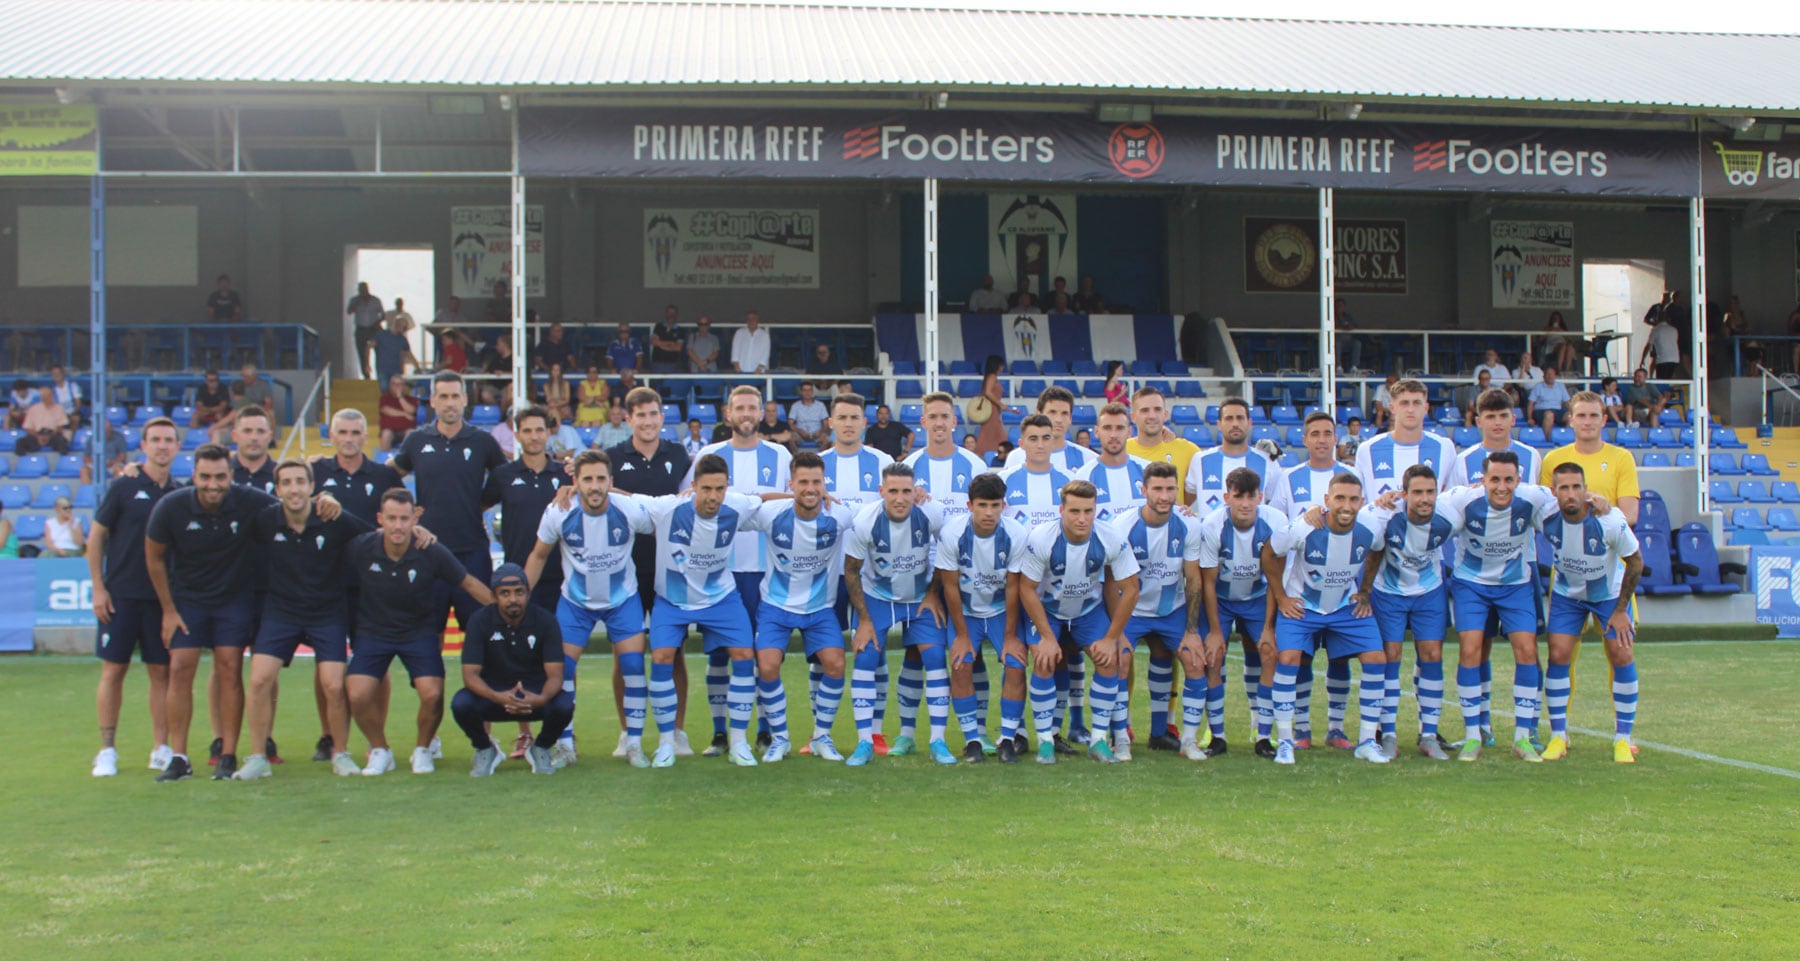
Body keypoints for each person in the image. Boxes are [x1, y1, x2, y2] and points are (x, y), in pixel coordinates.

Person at [233, 459, 376, 780]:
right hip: (281, 613)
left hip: (327, 613)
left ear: (312, 487)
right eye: (287, 482)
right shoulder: (265, 520)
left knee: (333, 685)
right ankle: (257, 757)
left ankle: (341, 753)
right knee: (258, 680)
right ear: (277, 489)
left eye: (300, 481)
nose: (294, 489)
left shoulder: (333, 517)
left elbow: (375, 539)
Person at [144, 444, 278, 781]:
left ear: (231, 476)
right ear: (194, 476)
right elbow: (154, 557)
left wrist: (324, 501)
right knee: (180, 667)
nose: (213, 485)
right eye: (205, 477)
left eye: (220, 477)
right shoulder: (171, 506)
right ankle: (179, 757)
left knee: (230, 668)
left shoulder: (251, 501)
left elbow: (292, 507)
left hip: (234, 600)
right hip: (188, 601)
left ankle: (227, 755)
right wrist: (168, 610)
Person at [345, 488, 495, 775]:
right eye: (391, 518)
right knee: (357, 694)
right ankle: (380, 750)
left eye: (404, 518)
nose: (398, 526)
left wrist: (506, 611)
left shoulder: (430, 549)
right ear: (380, 519)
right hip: (374, 633)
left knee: (432, 694)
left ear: (415, 518)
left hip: (418, 633)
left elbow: (468, 582)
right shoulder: (361, 547)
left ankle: (423, 750)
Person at [523, 451, 654, 768]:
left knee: (633, 666)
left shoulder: (629, 509)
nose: (594, 486)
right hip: (576, 603)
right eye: (587, 479)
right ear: (575, 482)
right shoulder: (559, 511)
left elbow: (666, 521)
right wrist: (521, 599)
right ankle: (565, 746)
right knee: (562, 671)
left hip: (622, 600)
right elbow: (539, 555)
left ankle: (634, 743)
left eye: (600, 479)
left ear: (611, 481)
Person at [391, 372, 508, 710]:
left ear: (465, 400)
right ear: (433, 401)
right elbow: (388, 476)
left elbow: (504, 479)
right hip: (427, 554)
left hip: (472, 552)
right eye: (443, 396)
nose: (450, 403)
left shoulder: (482, 441)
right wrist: (407, 514)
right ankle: (431, 728)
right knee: (431, 642)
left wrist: (478, 505)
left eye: (455, 396)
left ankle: (484, 728)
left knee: (481, 639)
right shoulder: (416, 440)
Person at [686, 385, 793, 755]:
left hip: (766, 571)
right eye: (739, 408)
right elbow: (690, 504)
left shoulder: (780, 455)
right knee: (719, 655)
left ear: (761, 413)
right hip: (720, 573)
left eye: (752, 408)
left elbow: (793, 504)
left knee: (763, 655)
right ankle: (720, 733)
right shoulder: (709, 455)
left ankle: (764, 731)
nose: (746, 414)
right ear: (727, 413)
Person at [647, 454, 773, 766]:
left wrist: (808, 494)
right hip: (673, 599)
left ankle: (739, 742)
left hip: (720, 598)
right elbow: (626, 501)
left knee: (744, 655)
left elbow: (766, 499)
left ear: (727, 487)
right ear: (693, 486)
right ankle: (666, 743)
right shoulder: (667, 508)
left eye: (720, 488)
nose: (713, 496)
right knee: (661, 657)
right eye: (706, 489)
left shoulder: (736, 505)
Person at [1261, 473, 1389, 766]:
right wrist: (1281, 596)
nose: (1346, 505)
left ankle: (1367, 742)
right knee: (1288, 658)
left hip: (1345, 606)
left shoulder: (1371, 527)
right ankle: (1285, 742)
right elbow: (1269, 552)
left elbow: (1378, 550)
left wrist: (1365, 590)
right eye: (1340, 498)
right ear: (1327, 500)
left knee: (1376, 658)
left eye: (1353, 499)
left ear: (1362, 502)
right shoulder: (1305, 526)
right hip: (1303, 606)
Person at [1443, 451, 1558, 762]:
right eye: (1495, 479)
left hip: (1514, 585)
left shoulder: (1533, 498)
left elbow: (1568, 501)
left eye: (1509, 480)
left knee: (1527, 650)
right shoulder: (1462, 499)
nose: (1502, 486)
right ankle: (1472, 736)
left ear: (1519, 480)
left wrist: (1595, 499)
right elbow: (1421, 506)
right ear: (1483, 480)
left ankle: (1522, 738)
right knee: (1470, 649)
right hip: (1471, 584)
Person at [1015, 479, 1140, 765]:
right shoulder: (1042, 538)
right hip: (1047, 610)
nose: (1082, 518)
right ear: (1061, 510)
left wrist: (1112, 638)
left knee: (1109, 659)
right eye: (1074, 511)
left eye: (1088, 511)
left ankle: (1098, 740)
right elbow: (1026, 588)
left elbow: (1131, 589)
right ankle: (1045, 742)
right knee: (1045, 660)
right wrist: (1047, 638)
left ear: (1096, 510)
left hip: (1088, 610)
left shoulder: (1111, 537)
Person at [87, 418, 182, 778]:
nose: (162, 445)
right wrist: (99, 587)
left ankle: (160, 747)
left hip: (162, 600)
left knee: (161, 673)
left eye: (168, 440)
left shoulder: (180, 493)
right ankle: (106, 750)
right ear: (144, 445)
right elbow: (96, 537)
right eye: (155, 439)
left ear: (177, 447)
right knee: (114, 670)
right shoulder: (123, 486)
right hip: (121, 596)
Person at [751, 452, 859, 762]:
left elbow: (881, 510)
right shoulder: (772, 514)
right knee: (767, 666)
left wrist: (919, 495)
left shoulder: (839, 515)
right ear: (791, 484)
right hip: (775, 605)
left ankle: (821, 736)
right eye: (803, 482)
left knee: (835, 664)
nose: (810, 489)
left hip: (819, 608)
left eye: (816, 482)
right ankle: (780, 738)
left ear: (824, 484)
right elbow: (740, 504)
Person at [842, 463, 952, 766]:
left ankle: (937, 740)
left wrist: (933, 593)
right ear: (881, 491)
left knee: (934, 657)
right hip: (878, 598)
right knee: (865, 657)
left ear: (915, 491)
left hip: (919, 599)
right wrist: (865, 621)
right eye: (893, 491)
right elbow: (851, 571)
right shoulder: (865, 521)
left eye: (906, 491)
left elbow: (948, 552)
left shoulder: (931, 513)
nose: (900, 498)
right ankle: (865, 742)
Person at [604, 387, 694, 757]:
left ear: (662, 416)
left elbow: (688, 503)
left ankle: (677, 731)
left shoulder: (678, 455)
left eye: (653, 413)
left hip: (670, 569)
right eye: (640, 415)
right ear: (628, 420)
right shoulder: (612, 458)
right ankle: (627, 733)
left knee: (673, 653)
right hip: (625, 568)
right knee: (625, 655)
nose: (648, 421)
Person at [1541, 462, 1644, 764]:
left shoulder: (1608, 519)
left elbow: (1636, 561)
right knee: (1558, 654)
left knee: (1621, 654)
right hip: (1568, 596)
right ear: (1554, 492)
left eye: (1577, 487)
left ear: (1586, 489)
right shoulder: (1544, 513)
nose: (1571, 494)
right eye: (1564, 488)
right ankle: (1558, 735)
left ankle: (1623, 738)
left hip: (1608, 596)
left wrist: (1621, 609)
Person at [1264, 411, 1358, 742]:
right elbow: (1279, 529)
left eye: (1327, 433)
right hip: (1299, 585)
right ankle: (1301, 728)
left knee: (1340, 658)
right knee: (1301, 656)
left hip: (1341, 586)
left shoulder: (1351, 474)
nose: (1321, 439)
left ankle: (1335, 728)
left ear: (1336, 438)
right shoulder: (1288, 478)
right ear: (1304, 440)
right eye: (1314, 434)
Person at [1359, 465, 1459, 762]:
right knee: (1391, 657)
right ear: (1404, 494)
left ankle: (1429, 735)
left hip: (1429, 591)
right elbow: (1364, 541)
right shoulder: (1383, 514)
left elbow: (1479, 495)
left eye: (1430, 492)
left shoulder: (1450, 515)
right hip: (1389, 593)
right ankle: (1388, 734)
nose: (1424, 499)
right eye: (1417, 492)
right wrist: (1364, 591)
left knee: (1432, 655)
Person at [1116, 461, 1211, 761]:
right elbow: (1113, 582)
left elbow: (1193, 579)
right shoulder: (1123, 526)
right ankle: (1120, 738)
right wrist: (1115, 630)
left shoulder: (1189, 525)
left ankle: (1186, 741)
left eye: (1170, 489)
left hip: (1171, 610)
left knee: (1194, 661)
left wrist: (1192, 631)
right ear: (1144, 490)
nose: (1164, 496)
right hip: (1132, 612)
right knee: (1119, 661)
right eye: (1157, 489)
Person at [937, 472, 1026, 762]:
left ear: (1004, 506)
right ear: (970, 506)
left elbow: (1013, 587)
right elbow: (950, 586)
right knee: (961, 665)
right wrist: (962, 635)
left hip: (1001, 611)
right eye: (982, 505)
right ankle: (972, 740)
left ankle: (1007, 739)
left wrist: (1010, 637)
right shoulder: (953, 534)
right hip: (967, 613)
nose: (989, 512)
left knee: (1015, 664)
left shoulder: (1016, 535)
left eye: (995, 505)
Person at [1197, 467, 1285, 759]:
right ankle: (1217, 735)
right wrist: (1214, 631)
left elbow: (1275, 578)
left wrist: (1269, 628)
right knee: (1213, 657)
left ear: (1261, 497)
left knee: (1270, 653)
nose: (1245, 504)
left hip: (1258, 597)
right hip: (1221, 599)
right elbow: (1208, 582)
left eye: (1251, 497)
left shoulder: (1275, 522)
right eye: (1239, 497)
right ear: (1227, 498)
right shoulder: (1212, 526)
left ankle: (1263, 735)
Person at [453, 565, 573, 776]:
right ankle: (485, 748)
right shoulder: (479, 620)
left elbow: (556, 674)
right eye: (505, 593)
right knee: (461, 703)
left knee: (564, 705)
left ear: (528, 593)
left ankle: (541, 747)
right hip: (493, 697)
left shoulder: (545, 620)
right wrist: (496, 696)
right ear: (494, 596)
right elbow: (469, 675)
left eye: (519, 592)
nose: (513, 599)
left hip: (533, 696)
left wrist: (541, 698)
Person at [1354, 379, 1460, 500]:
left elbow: (1452, 497)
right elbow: (1359, 500)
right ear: (1392, 408)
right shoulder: (1367, 450)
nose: (1410, 409)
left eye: (1416, 403)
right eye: (1404, 403)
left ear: (1426, 408)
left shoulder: (1444, 447)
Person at [1186, 396, 1273, 513]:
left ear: (1249, 423)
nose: (1235, 424)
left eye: (1240, 418)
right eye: (1229, 418)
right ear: (1219, 424)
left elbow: (1275, 504)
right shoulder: (1200, 460)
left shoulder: (1267, 460)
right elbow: (1186, 501)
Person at [1073, 403, 1147, 524]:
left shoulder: (1147, 470)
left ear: (1129, 432)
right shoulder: (1083, 476)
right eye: (1107, 428)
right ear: (1097, 432)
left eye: (1120, 428)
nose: (1113, 435)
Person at [1126, 385, 1201, 502]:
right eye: (1145, 410)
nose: (1152, 416)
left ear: (1165, 415)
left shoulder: (1188, 450)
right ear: (1133, 417)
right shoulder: (1122, 451)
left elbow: (1194, 491)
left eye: (1157, 409)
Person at [1002, 385, 1092, 474]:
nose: (1058, 420)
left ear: (1070, 418)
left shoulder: (1088, 458)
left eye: (1064, 413)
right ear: (1039, 414)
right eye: (1052, 412)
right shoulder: (1016, 457)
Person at [346, 281, 386, 379]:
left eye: (364, 289)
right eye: (361, 289)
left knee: (380, 353)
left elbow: (383, 315)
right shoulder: (354, 300)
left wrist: (378, 322)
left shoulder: (375, 300)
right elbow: (349, 311)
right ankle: (366, 376)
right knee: (362, 353)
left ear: (368, 289)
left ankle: (380, 376)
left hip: (374, 329)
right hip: (361, 329)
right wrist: (357, 302)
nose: (363, 291)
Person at [1639, 292, 1682, 378]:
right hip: (1675, 358)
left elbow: (1648, 345)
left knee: (1662, 377)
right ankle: (1652, 376)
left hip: (1663, 359)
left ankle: (1652, 378)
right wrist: (1655, 324)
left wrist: (1643, 359)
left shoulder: (1657, 330)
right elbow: (1647, 319)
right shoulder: (1658, 307)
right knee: (1657, 358)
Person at [971, 365, 1011, 459]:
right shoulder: (992, 377)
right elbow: (988, 392)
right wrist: (1000, 404)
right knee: (993, 434)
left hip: (993, 409)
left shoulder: (990, 377)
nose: (1002, 367)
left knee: (993, 434)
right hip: (991, 409)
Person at [18, 385, 70, 454]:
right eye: (48, 395)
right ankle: (26, 460)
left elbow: (61, 425)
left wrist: (49, 436)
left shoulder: (59, 408)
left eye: (51, 395)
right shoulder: (33, 409)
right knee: (20, 442)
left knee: (62, 442)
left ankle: (62, 459)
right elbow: (27, 427)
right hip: (37, 435)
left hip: (53, 434)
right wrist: (38, 436)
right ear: (42, 397)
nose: (51, 397)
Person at [1527, 366, 1572, 442]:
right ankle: (1548, 441)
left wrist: (1573, 412)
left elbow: (1567, 402)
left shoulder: (1560, 386)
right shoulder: (1538, 386)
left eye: (1552, 374)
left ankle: (1566, 438)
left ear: (1555, 376)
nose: (1550, 376)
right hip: (1541, 411)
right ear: (1544, 376)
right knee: (1549, 414)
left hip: (1557, 411)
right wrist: (1530, 418)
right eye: (1548, 374)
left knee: (1570, 416)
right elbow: (1530, 403)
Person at [373, 315, 416, 387]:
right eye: (404, 327)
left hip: (396, 370)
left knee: (396, 390)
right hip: (383, 369)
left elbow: (409, 354)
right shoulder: (382, 334)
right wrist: (367, 364)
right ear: (398, 325)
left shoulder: (402, 339)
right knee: (385, 389)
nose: (405, 330)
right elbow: (369, 346)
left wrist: (418, 368)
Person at [377, 375, 417, 450]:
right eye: (394, 384)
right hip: (389, 430)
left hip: (406, 429)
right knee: (386, 434)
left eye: (399, 384)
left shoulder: (411, 399)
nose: (396, 386)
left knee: (410, 433)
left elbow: (411, 410)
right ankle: (384, 457)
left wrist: (400, 397)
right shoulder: (385, 398)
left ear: (403, 386)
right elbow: (386, 410)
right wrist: (404, 414)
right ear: (390, 385)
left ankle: (406, 456)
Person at [788, 382, 830, 449]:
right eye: (805, 390)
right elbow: (790, 423)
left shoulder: (820, 405)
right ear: (801, 392)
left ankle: (819, 455)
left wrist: (820, 432)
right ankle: (796, 456)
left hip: (817, 434)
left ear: (812, 392)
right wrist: (800, 431)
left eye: (809, 390)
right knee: (791, 438)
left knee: (827, 439)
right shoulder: (795, 406)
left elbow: (826, 423)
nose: (807, 392)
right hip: (800, 435)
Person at [649, 305, 685, 374]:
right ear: (666, 314)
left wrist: (661, 344)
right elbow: (654, 342)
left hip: (672, 364)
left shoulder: (680, 330)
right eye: (669, 312)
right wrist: (671, 343)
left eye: (673, 313)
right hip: (657, 363)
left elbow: (678, 348)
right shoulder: (659, 326)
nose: (671, 315)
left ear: (676, 314)